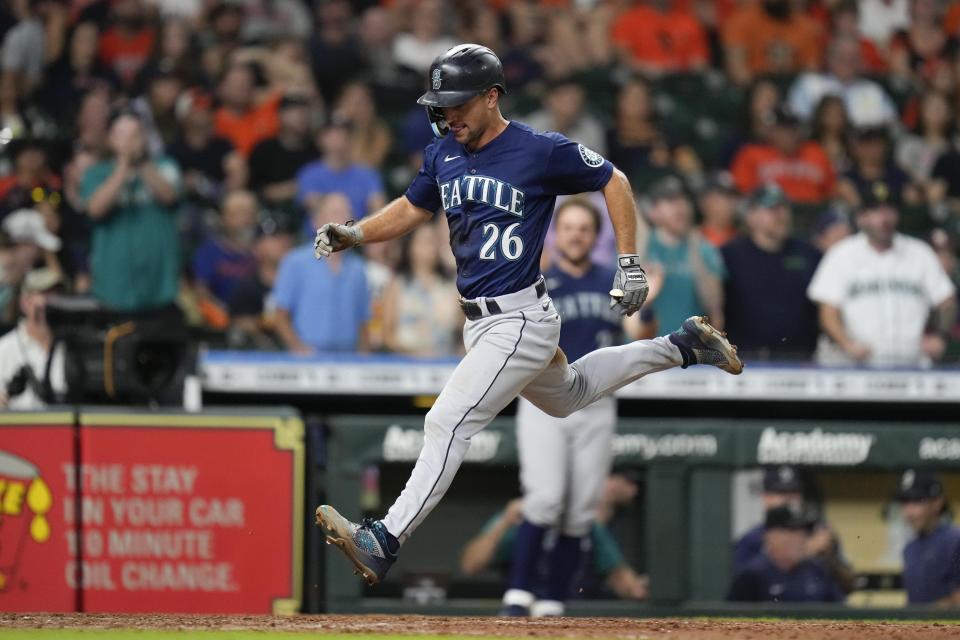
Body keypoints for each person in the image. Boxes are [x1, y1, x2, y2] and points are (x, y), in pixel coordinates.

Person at [313, 44, 743, 586]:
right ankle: (683, 347)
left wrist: (629, 261)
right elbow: (411, 208)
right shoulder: (442, 152)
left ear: (491, 97)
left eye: (457, 103)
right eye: (441, 105)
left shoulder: (538, 150)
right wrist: (356, 231)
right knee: (571, 395)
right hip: (482, 321)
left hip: (519, 319)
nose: (447, 115)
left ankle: (385, 538)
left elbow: (615, 181)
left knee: (446, 421)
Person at [503, 198, 650, 617]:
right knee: (545, 500)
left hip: (597, 403)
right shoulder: (536, 280)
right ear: (557, 232)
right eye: (568, 227)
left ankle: (552, 601)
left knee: (581, 510)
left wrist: (645, 305)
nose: (576, 235)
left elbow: (641, 328)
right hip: (544, 401)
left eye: (584, 228)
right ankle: (518, 595)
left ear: (594, 235)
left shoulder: (611, 279)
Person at [807, 181, 957, 367]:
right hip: (856, 367)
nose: (884, 218)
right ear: (861, 217)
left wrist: (940, 338)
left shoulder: (920, 253)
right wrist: (846, 343)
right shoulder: (841, 254)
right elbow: (828, 310)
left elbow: (946, 301)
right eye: (875, 211)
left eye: (889, 210)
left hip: (911, 366)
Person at [460, 476, 648, 608]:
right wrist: (503, 524)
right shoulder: (519, 516)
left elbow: (620, 576)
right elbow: (471, 566)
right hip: (521, 609)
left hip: (570, 610)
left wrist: (638, 588)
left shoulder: (586, 521)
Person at [80, 110, 181, 313]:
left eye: (135, 134)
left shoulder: (165, 166)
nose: (129, 141)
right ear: (110, 139)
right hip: (114, 286)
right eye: (122, 135)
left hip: (159, 284)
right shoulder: (96, 173)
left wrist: (142, 163)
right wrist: (123, 166)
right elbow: (95, 210)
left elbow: (169, 196)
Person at [721, 184, 821, 361]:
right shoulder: (729, 256)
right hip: (744, 359)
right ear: (751, 216)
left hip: (800, 360)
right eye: (772, 209)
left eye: (784, 208)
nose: (781, 215)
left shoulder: (809, 254)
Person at [272, 193, 369, 355]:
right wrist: (298, 348)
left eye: (346, 214)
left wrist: (364, 355)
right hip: (308, 359)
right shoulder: (295, 262)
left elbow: (363, 320)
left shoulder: (358, 268)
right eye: (334, 214)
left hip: (349, 359)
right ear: (316, 221)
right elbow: (280, 316)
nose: (341, 220)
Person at [732, 466, 854, 594]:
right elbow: (740, 586)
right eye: (782, 493)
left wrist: (831, 559)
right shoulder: (750, 540)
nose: (789, 499)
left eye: (794, 493)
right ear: (766, 498)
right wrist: (804, 551)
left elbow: (848, 585)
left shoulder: (818, 531)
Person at [643, 176, 725, 333]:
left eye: (684, 199)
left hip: (688, 350)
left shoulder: (705, 249)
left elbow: (714, 306)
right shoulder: (640, 247)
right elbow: (621, 301)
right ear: (652, 211)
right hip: (644, 348)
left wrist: (694, 250)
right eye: (671, 200)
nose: (680, 206)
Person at [727, 504, 846, 603]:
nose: (801, 537)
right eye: (792, 531)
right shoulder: (752, 575)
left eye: (803, 531)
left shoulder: (817, 570)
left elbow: (840, 614)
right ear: (772, 536)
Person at [296, 116, 386, 236]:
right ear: (320, 139)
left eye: (343, 134)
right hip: (318, 240)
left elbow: (379, 209)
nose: (338, 139)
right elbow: (317, 209)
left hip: (358, 240)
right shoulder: (309, 174)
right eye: (331, 134)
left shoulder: (367, 173)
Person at [381, 222, 460, 357]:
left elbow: (462, 327)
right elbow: (387, 335)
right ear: (411, 247)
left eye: (434, 240)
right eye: (426, 241)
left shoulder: (451, 285)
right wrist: (412, 352)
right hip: (407, 365)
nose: (432, 246)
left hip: (445, 363)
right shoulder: (397, 285)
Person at [787, 35, 898, 129]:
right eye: (842, 57)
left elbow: (890, 125)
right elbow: (796, 123)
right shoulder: (809, 84)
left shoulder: (873, 91)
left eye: (853, 58)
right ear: (829, 58)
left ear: (860, 61)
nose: (847, 62)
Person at [731, 106, 835, 204]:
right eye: (782, 129)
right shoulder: (751, 154)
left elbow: (831, 190)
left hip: (812, 215)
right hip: (769, 215)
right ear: (772, 131)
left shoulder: (815, 152)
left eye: (792, 129)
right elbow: (741, 193)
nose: (788, 135)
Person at [0, 268, 66, 410]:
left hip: (63, 429)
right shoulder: (4, 349)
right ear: (25, 303)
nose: (53, 301)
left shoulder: (72, 347)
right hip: (20, 429)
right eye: (44, 293)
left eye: (58, 293)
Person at [896, 469, 960, 606]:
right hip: (919, 626)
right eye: (905, 502)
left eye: (917, 501)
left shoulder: (955, 541)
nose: (909, 512)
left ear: (937, 502)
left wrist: (921, 616)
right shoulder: (909, 548)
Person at [248, 92, 318, 213]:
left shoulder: (315, 151)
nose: (302, 117)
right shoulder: (264, 149)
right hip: (267, 212)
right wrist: (283, 191)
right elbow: (252, 189)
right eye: (294, 112)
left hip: (305, 213)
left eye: (305, 112)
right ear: (280, 116)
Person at [525, 78, 606, 157]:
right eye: (568, 99)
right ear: (549, 100)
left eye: (577, 100)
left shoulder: (591, 128)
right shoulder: (531, 128)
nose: (574, 105)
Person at [697, 171, 739, 248]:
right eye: (725, 196)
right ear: (704, 201)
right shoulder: (692, 240)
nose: (732, 202)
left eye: (734, 196)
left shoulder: (743, 239)